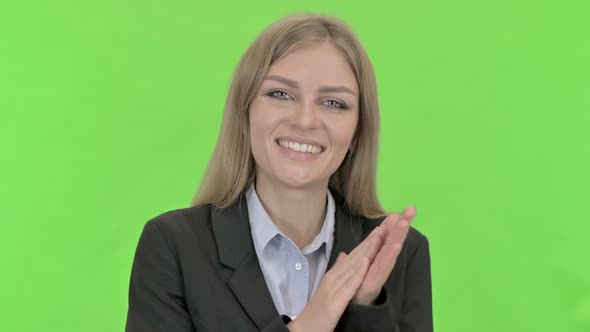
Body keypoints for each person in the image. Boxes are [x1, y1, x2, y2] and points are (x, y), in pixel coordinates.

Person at [126, 13, 432, 332]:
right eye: (281, 94)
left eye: (333, 103)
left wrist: (365, 310)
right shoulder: (173, 246)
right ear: (245, 111)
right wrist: (310, 325)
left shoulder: (401, 254)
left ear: (357, 132)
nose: (305, 120)